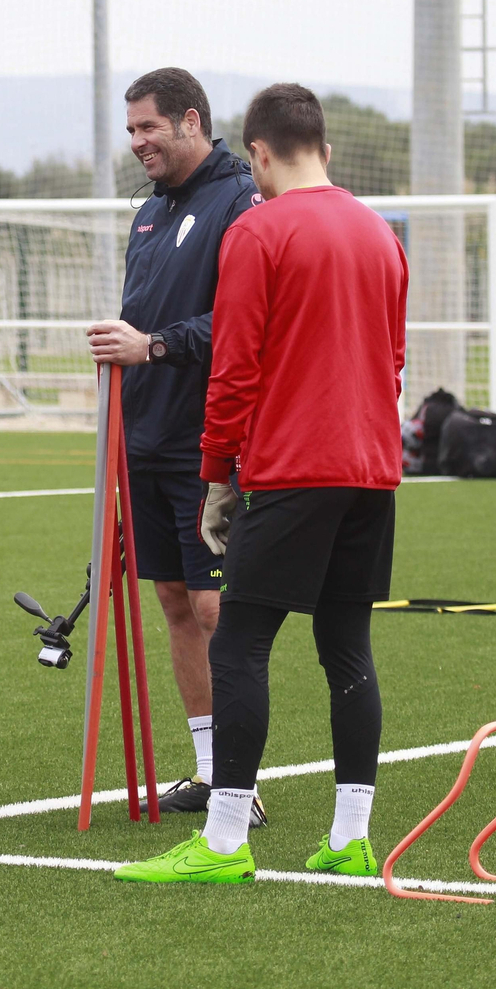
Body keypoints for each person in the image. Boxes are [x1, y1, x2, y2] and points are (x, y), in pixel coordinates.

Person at [116, 83, 408, 884]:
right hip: (371, 468)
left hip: (291, 466)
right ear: (327, 148)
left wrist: (216, 475)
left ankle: (221, 839)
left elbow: (235, 369)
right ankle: (351, 836)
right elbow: (392, 361)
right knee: (346, 644)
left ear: (258, 152)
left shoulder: (258, 227)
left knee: (241, 641)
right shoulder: (380, 233)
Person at [86, 68, 264, 820]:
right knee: (171, 599)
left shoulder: (241, 202)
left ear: (191, 121)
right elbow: (143, 318)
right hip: (144, 437)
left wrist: (152, 346)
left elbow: (243, 323)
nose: (137, 144)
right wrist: (122, 350)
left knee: (214, 605)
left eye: (147, 128)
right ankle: (208, 767)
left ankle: (240, 785)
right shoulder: (150, 215)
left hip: (207, 442)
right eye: (130, 131)